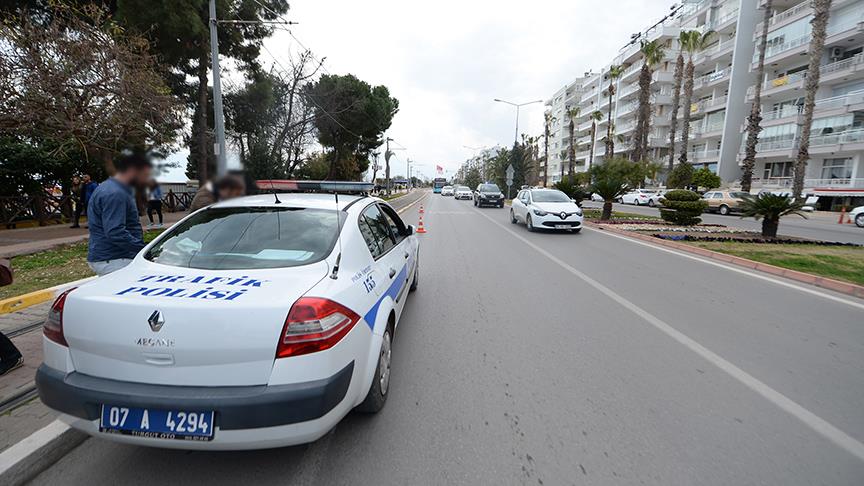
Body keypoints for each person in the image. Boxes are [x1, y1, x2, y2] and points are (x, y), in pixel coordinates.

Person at [87, 151, 152, 276]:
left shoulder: (109, 188)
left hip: (110, 257)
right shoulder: (116, 193)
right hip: (116, 259)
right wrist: (143, 248)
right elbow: (115, 231)